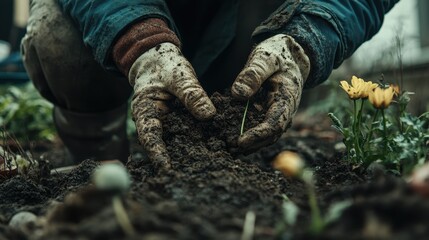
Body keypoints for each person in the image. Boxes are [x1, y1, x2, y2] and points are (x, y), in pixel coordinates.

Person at [21, 0, 399, 169]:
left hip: (248, 27)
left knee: (229, 130)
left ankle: (225, 152)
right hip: (137, 19)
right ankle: (97, 158)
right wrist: (139, 42)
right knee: (56, 34)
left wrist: (305, 38)